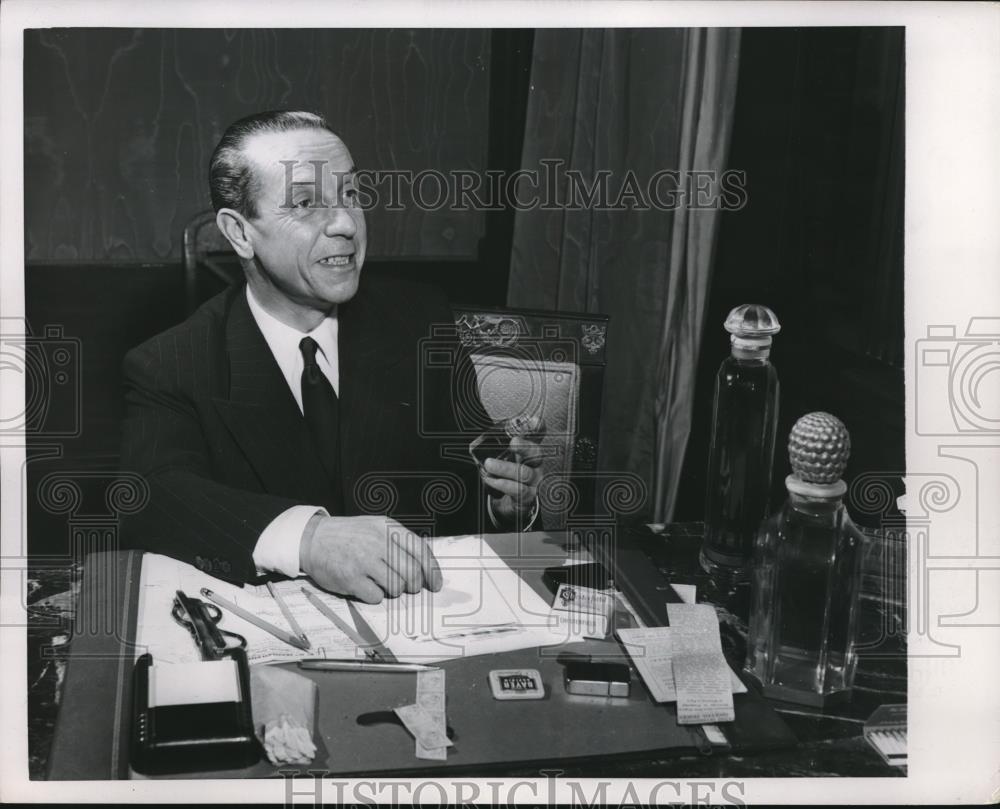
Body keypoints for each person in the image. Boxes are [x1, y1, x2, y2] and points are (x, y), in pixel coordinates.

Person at [120, 110, 543, 604]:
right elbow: (151, 500)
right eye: (305, 203)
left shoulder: (418, 320)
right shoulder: (170, 363)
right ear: (239, 233)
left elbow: (460, 491)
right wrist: (310, 538)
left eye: (351, 195)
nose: (345, 224)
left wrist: (505, 505)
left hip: (420, 621)